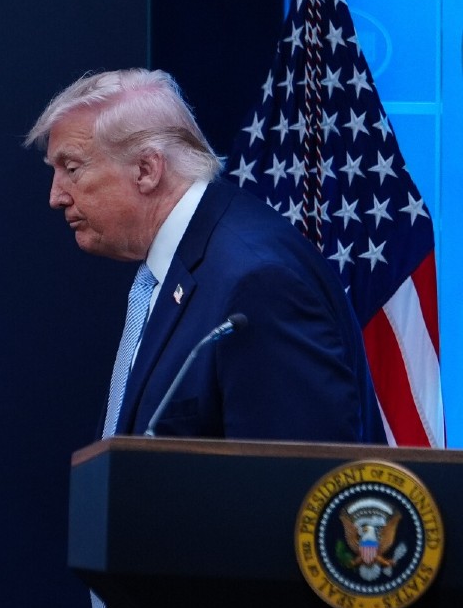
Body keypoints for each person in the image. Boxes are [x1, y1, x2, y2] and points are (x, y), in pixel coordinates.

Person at [25, 68, 385, 443]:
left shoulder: (256, 279)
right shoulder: (176, 270)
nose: (56, 197)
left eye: (72, 168)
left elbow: (291, 480)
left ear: (147, 170)